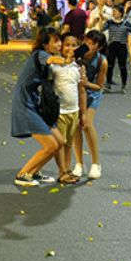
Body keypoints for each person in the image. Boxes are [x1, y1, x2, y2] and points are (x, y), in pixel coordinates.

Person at [10, 28, 70, 187]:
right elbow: (51, 60)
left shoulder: (46, 58)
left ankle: (35, 171)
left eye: (59, 40)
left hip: (36, 103)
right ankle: (23, 174)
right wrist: (65, 60)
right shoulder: (40, 54)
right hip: (24, 103)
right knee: (50, 145)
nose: (59, 44)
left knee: (60, 141)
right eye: (55, 41)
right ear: (45, 45)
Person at [71, 30, 107, 180]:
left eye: (92, 44)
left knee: (87, 124)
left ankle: (96, 163)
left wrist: (86, 83)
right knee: (75, 126)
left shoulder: (101, 61)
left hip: (91, 94)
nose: (88, 45)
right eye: (87, 41)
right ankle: (79, 163)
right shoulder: (76, 54)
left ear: (99, 48)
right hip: (74, 93)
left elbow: (100, 86)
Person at [54, 33, 88, 184]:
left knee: (68, 144)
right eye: (67, 45)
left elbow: (81, 91)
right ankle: (61, 171)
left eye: (74, 45)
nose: (70, 48)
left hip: (73, 111)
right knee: (60, 143)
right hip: (60, 112)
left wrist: (83, 113)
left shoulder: (78, 68)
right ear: (60, 47)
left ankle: (66, 170)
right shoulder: (55, 65)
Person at [103, 4, 131, 91]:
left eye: (115, 12)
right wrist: (102, 20)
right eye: (113, 12)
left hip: (122, 46)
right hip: (111, 46)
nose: (113, 14)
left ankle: (124, 84)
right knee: (110, 66)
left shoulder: (126, 23)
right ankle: (108, 84)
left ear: (120, 13)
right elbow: (102, 29)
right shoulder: (109, 22)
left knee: (122, 66)